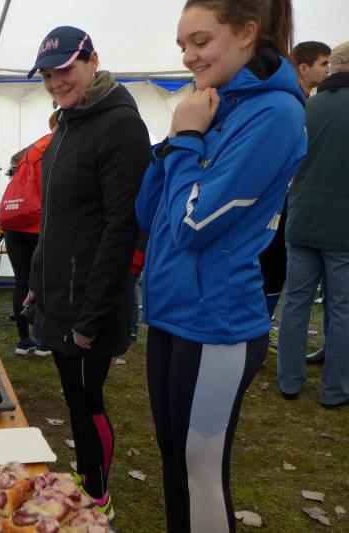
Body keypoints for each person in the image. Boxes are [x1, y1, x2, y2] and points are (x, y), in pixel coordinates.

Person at [135, 1, 306, 531]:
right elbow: (147, 212)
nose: (189, 56)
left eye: (201, 41)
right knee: (173, 458)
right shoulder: (214, 105)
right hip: (171, 312)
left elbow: (193, 224)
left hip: (217, 324)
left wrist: (187, 139)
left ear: (247, 32)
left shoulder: (275, 113)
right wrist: (175, 141)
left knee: (200, 472)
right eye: (183, 45)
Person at [23, 26, 151, 520]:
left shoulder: (120, 125)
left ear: (92, 61)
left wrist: (91, 315)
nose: (56, 82)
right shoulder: (68, 122)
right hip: (59, 292)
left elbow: (123, 228)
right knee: (74, 397)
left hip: (90, 300)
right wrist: (36, 282)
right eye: (47, 75)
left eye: (65, 70)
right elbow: (54, 219)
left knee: (87, 399)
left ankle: (98, 495)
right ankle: (84, 480)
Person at [277, 41, 349, 409]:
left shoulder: (307, 106)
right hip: (342, 227)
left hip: (303, 216)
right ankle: (336, 389)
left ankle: (289, 380)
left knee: (296, 302)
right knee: (342, 308)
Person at [257, 41, 331, 355]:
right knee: (270, 267)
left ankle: (260, 334)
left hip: (294, 198)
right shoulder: (289, 102)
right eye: (323, 63)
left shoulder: (308, 101)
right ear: (303, 67)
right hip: (278, 199)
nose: (327, 70)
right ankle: (256, 335)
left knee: (279, 270)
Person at [0, 110, 57, 357]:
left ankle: (23, 340)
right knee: (44, 282)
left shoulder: (30, 151)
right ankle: (44, 340)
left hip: (14, 223)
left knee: (21, 282)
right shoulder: (58, 144)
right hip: (38, 224)